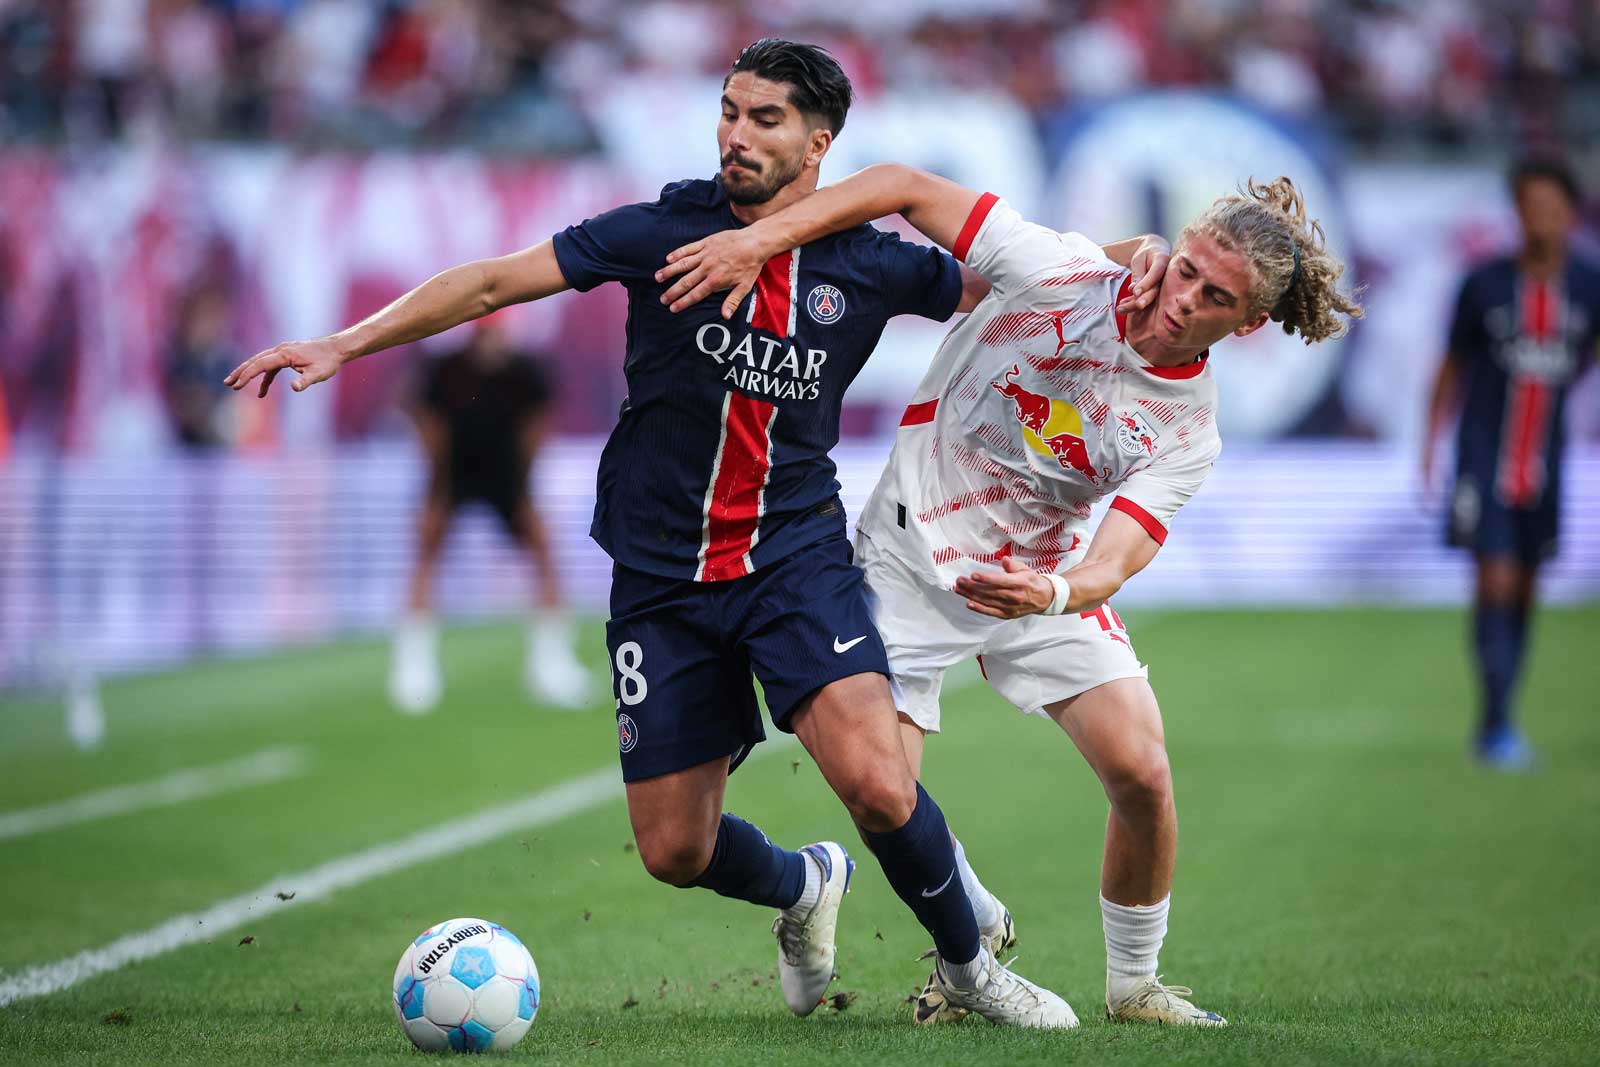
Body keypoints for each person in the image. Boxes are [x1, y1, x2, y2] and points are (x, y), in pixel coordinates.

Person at [226, 39, 1085, 1027]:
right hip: (659, 576)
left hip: (792, 557)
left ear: (819, 142)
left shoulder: (870, 262)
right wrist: (342, 340)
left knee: (881, 783)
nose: (735, 133)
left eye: (764, 119)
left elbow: (1009, 288)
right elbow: (494, 284)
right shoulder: (661, 230)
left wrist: (1109, 277)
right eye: (729, 110)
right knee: (676, 848)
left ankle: (973, 971)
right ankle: (805, 885)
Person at [658, 164, 1362, 1026]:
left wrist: (1054, 591)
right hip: (911, 555)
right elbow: (899, 185)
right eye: (1184, 269)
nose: (1183, 299)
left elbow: (1116, 560)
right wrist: (762, 238)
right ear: (1171, 253)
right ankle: (972, 931)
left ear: (1248, 323)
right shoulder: (1060, 270)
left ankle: (1134, 983)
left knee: (1143, 769)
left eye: (1214, 297)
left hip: (1038, 576)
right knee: (883, 797)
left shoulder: (1190, 427)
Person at [1422, 158, 1600, 771]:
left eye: (1552, 207)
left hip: (1547, 460)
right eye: (1529, 206)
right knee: (1493, 578)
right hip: (1482, 456)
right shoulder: (1484, 283)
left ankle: (1502, 716)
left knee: (1525, 585)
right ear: (1516, 211)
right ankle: (1494, 725)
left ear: (1570, 213)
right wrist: (1428, 445)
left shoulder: (1588, 284)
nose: (1541, 218)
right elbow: (1450, 366)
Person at [390, 312, 592, 714]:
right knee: (426, 553)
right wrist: (435, 484)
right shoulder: (445, 368)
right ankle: (413, 667)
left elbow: (536, 429)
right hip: (453, 475)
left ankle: (551, 664)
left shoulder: (526, 371)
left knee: (543, 553)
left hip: (506, 477)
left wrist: (523, 487)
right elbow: (425, 420)